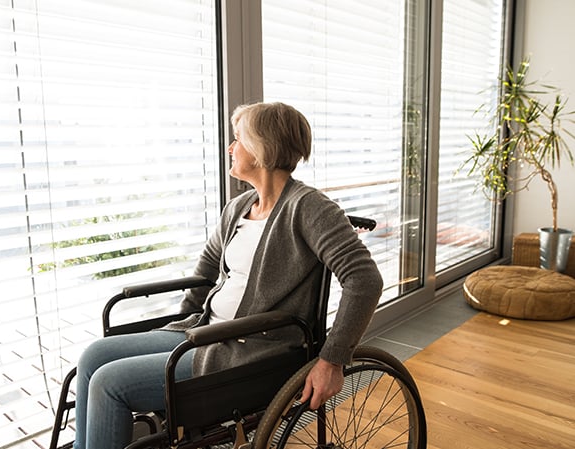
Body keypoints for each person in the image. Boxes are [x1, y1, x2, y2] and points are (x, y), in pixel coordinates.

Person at [73, 102, 383, 449]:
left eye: (239, 138)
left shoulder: (309, 207)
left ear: (263, 147)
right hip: (207, 332)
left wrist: (331, 360)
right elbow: (206, 272)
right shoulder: (238, 207)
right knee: (92, 357)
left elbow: (364, 280)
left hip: (252, 350)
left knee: (108, 383)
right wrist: (180, 321)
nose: (231, 148)